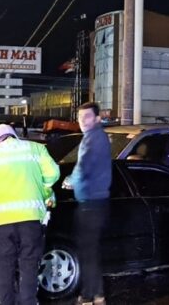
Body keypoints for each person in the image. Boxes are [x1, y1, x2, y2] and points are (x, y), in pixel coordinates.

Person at [0, 124, 60, 305]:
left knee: (4, 269)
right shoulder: (36, 148)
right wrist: (43, 190)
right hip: (31, 220)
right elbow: (53, 174)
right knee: (29, 266)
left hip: (3, 223)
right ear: (14, 136)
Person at [63, 102, 111, 305]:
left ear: (97, 118)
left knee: (87, 252)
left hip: (91, 202)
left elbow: (83, 166)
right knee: (90, 251)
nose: (82, 121)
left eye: (87, 117)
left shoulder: (92, 138)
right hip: (96, 201)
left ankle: (90, 296)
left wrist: (69, 181)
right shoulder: (98, 136)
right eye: (80, 117)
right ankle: (95, 295)